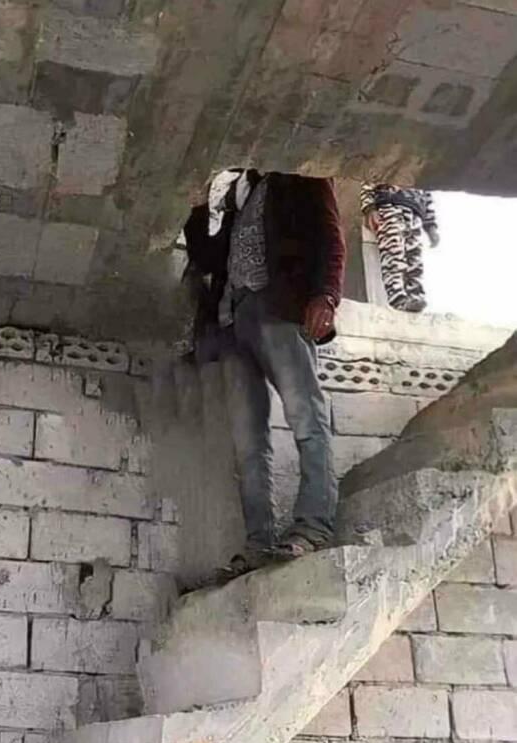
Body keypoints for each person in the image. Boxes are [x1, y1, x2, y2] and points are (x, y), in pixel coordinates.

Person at [183, 168, 346, 568]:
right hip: (233, 321)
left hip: (279, 310)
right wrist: (199, 206)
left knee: (306, 416)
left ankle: (313, 527)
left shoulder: (302, 175)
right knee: (248, 442)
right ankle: (259, 543)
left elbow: (331, 236)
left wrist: (326, 295)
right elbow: (208, 257)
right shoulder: (240, 191)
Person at [361, 182, 439, 312]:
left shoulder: (420, 174)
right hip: (389, 205)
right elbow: (369, 180)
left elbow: (427, 194)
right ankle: (397, 298)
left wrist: (431, 225)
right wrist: (370, 208)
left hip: (415, 212)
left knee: (414, 259)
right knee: (393, 254)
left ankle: (415, 296)